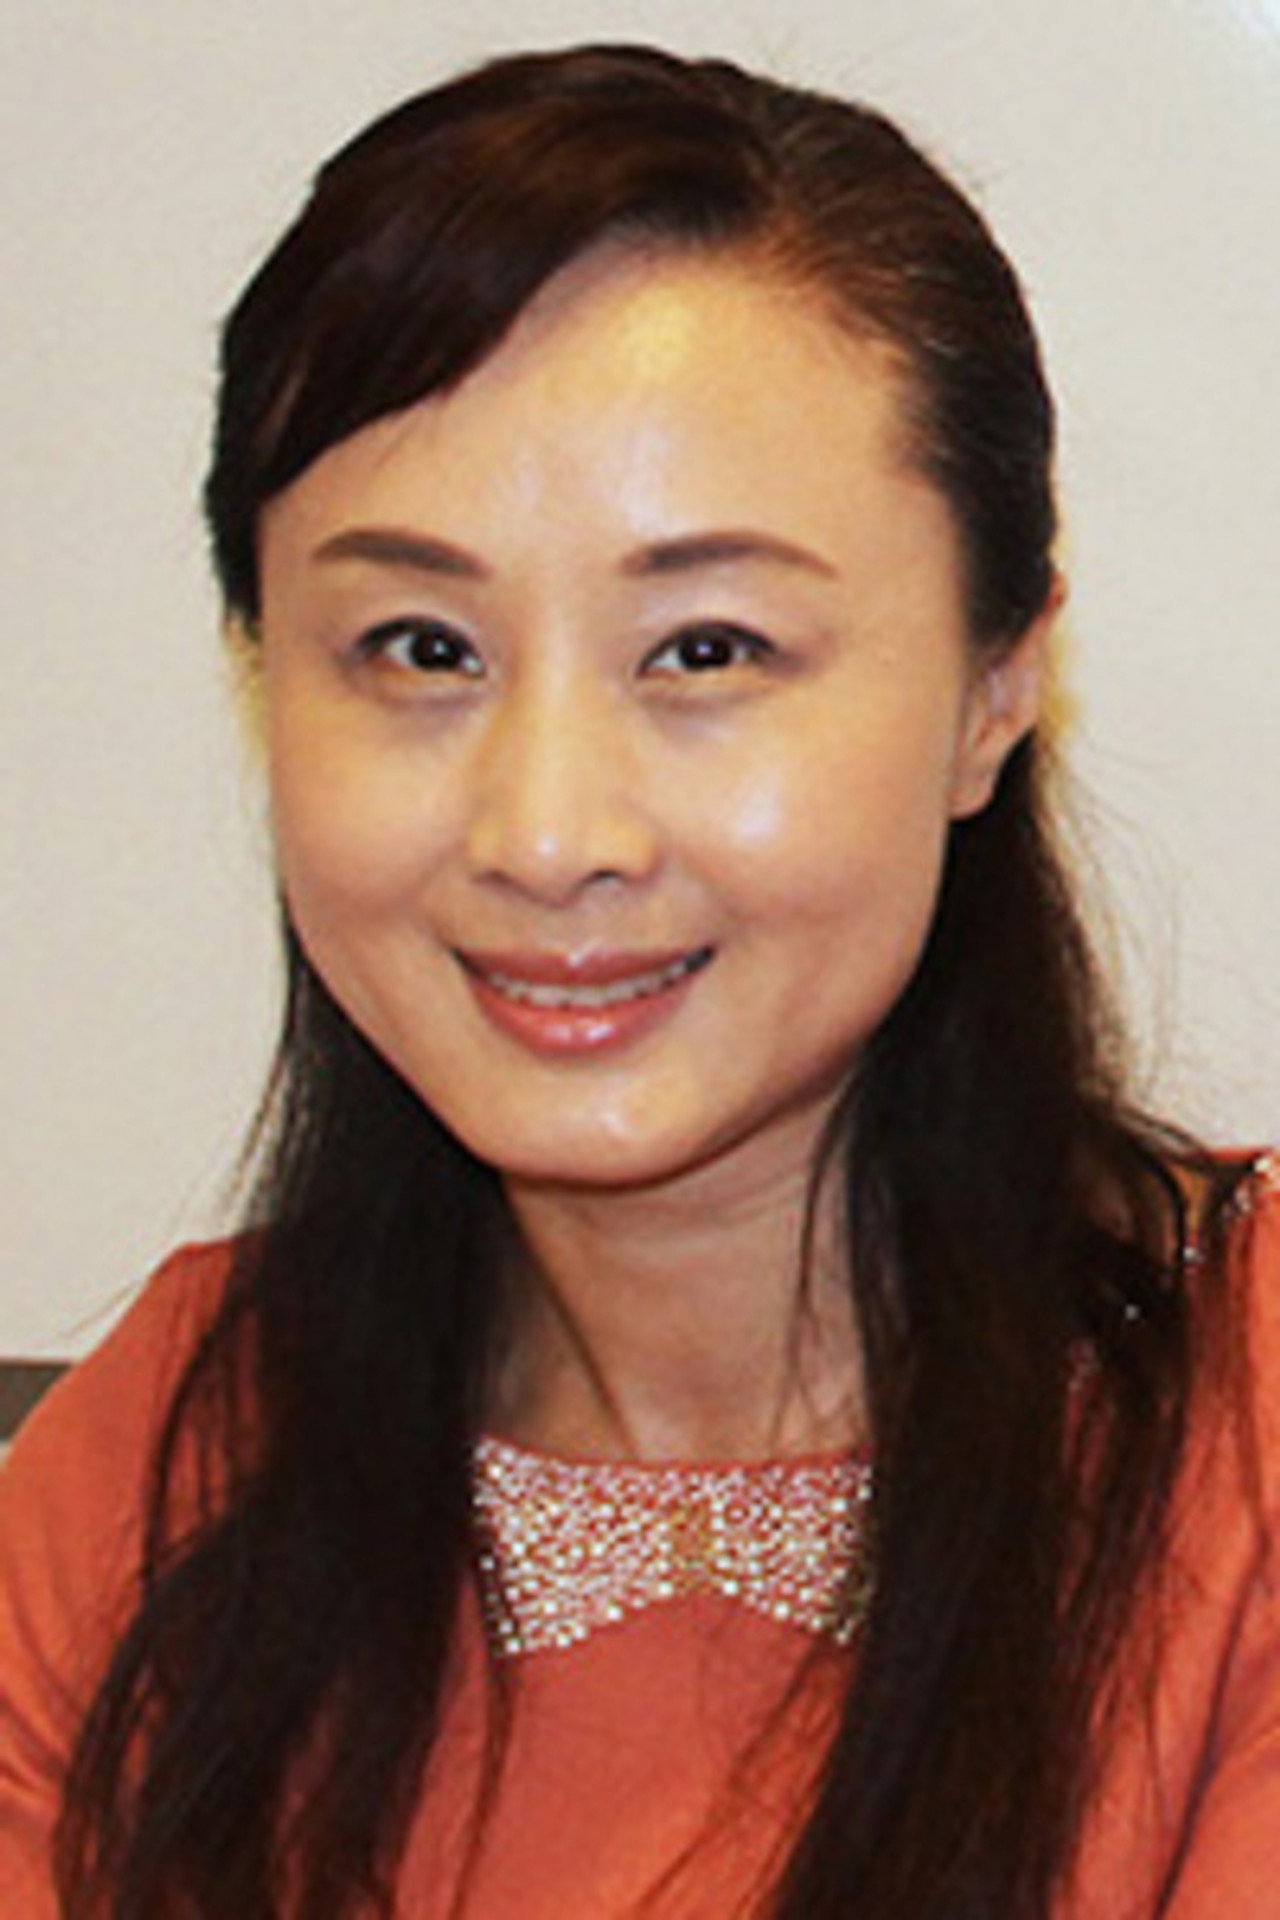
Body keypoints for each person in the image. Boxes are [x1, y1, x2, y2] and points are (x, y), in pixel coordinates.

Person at [1, 42, 1276, 1920]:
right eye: (420, 646)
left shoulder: (1247, 1430)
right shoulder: (163, 1460)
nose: (546, 832)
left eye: (705, 649)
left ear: (996, 684)